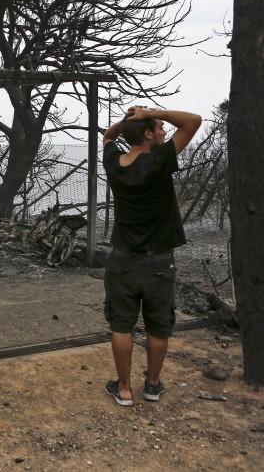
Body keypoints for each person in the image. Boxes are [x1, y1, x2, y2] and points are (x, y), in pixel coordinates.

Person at [101, 106, 202, 406]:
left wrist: (128, 121)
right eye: (159, 127)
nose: (164, 132)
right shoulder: (159, 160)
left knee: (121, 325)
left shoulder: (114, 163)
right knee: (158, 326)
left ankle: (123, 390)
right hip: (159, 261)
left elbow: (108, 136)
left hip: (121, 260)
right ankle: (152, 386)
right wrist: (149, 111)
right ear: (147, 134)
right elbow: (193, 121)